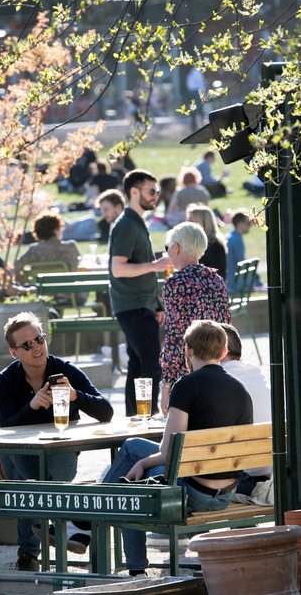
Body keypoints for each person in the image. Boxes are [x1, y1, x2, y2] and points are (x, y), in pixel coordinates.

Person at [101, 320, 253, 576]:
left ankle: (98, 514)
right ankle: (97, 508)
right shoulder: (240, 390)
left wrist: (142, 463)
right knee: (134, 450)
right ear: (224, 352)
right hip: (226, 494)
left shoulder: (186, 385)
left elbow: (169, 451)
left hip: (193, 494)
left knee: (129, 473)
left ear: (189, 350)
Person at [0, 311, 114, 571]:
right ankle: (66, 526)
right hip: (23, 452)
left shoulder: (65, 370)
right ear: (14, 352)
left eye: (39, 339)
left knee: (37, 482)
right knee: (23, 472)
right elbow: (6, 428)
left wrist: (75, 396)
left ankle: (49, 531)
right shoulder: (5, 380)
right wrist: (32, 405)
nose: (36, 347)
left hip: (61, 449)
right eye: (27, 345)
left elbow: (106, 411)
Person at [109, 169, 171, 416]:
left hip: (142, 305)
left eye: (157, 191)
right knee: (152, 364)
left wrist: (156, 304)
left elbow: (138, 267)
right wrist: (155, 265)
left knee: (137, 365)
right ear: (134, 191)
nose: (156, 196)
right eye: (151, 191)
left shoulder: (137, 222)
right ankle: (147, 417)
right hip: (130, 305)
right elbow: (118, 268)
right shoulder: (125, 224)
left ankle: (135, 419)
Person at [158, 221, 231, 412]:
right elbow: (227, 326)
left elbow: (174, 336)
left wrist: (167, 384)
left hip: (188, 373)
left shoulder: (175, 283)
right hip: (218, 367)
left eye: (168, 247)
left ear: (176, 247)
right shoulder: (217, 280)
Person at [218, 322, 272, 494]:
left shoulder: (218, 379)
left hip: (244, 480)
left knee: (133, 449)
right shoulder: (257, 373)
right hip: (270, 475)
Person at [15, 213, 81, 276]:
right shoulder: (71, 248)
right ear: (55, 230)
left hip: (40, 286)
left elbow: (16, 266)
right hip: (65, 286)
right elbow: (75, 269)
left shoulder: (34, 250)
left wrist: (22, 281)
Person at [185, 204, 227, 281]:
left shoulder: (213, 245)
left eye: (191, 219)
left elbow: (212, 275)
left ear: (204, 222)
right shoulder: (200, 243)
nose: (187, 222)